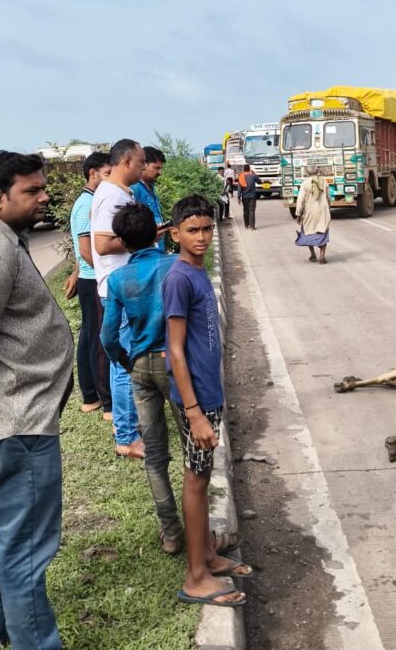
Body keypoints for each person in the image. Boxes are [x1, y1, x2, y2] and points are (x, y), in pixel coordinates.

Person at [0, 151, 74, 650]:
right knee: (24, 555)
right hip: (20, 425)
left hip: (10, 421)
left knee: (2, 546)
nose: (44, 197)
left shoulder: (6, 240)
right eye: (32, 190)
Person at [164, 194, 250, 607]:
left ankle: (209, 557)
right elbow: (175, 350)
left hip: (208, 395)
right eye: (192, 230)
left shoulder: (199, 272)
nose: (201, 237)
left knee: (203, 471)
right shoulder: (179, 278)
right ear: (175, 233)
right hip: (194, 400)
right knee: (196, 480)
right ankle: (195, 576)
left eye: (207, 229)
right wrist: (195, 411)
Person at [101, 204, 183, 554]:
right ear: (157, 232)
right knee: (194, 445)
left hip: (140, 367)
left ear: (122, 241)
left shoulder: (118, 280)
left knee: (154, 455)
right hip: (176, 364)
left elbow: (108, 336)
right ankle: (198, 524)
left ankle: (171, 532)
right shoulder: (176, 266)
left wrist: (125, 360)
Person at [91, 139, 146, 458]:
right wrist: (141, 240)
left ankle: (124, 426)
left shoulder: (119, 192)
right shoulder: (111, 195)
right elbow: (102, 244)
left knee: (120, 362)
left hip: (120, 288)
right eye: (140, 163)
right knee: (126, 364)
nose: (142, 168)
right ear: (127, 161)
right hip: (119, 290)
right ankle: (126, 436)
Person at [68, 151, 113, 420]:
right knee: (98, 341)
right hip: (93, 279)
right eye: (107, 173)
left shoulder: (90, 200)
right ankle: (106, 401)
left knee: (89, 336)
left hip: (87, 278)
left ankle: (89, 396)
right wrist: (107, 273)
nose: (110, 179)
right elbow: (86, 250)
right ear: (93, 173)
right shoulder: (86, 204)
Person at [131, 146, 168, 251]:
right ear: (144, 165)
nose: (159, 172)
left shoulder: (151, 186)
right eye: (156, 168)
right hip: (146, 249)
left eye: (161, 168)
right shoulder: (134, 188)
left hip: (158, 246)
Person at [294, 165, 331, 264]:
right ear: (317, 172)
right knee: (323, 233)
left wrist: (298, 214)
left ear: (308, 172)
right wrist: (328, 207)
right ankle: (322, 256)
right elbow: (328, 197)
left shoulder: (305, 183)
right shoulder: (324, 182)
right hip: (323, 211)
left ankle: (313, 254)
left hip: (309, 212)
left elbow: (300, 199)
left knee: (308, 232)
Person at [237, 163, 262, 229]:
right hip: (252, 196)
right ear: (249, 169)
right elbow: (260, 182)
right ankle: (252, 226)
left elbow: (239, 188)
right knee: (252, 210)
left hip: (245, 197)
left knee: (245, 210)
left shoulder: (241, 176)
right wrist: (255, 174)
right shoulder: (253, 176)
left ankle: (246, 225)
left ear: (243, 169)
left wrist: (238, 197)